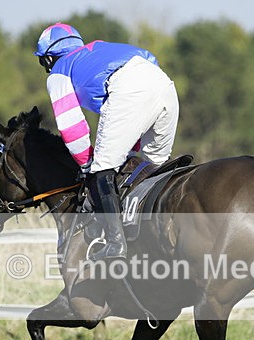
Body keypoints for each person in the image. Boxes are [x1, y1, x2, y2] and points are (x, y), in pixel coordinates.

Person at [35, 23, 179, 261]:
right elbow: (127, 125)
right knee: (155, 163)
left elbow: (71, 125)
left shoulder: (60, 70)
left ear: (49, 58)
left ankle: (116, 243)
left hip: (130, 88)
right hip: (164, 84)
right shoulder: (99, 50)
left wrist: (86, 164)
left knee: (101, 168)